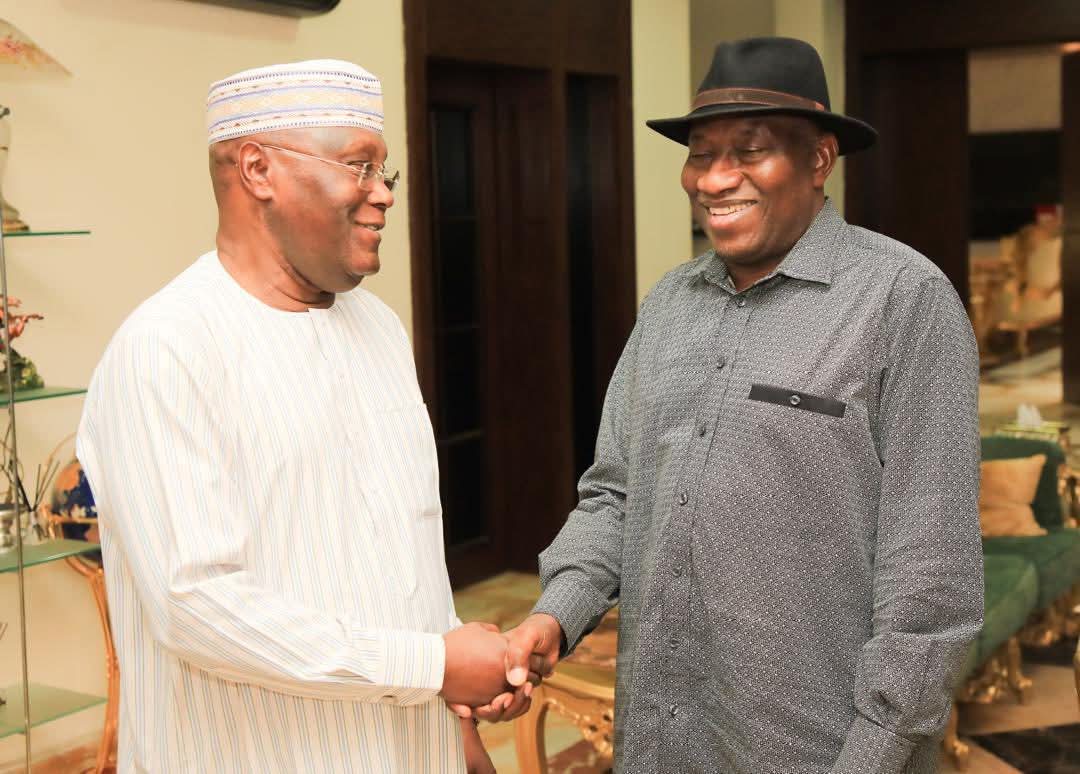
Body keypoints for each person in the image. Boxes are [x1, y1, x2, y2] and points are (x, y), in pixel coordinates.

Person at [502, 37, 983, 773]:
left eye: (750, 151)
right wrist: (556, 613)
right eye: (701, 154)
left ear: (819, 159)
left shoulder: (904, 302)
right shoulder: (669, 303)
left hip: (817, 751)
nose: (715, 178)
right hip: (661, 741)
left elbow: (933, 578)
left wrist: (872, 758)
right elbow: (616, 494)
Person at [77, 60, 533, 774]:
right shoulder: (166, 348)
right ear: (258, 170)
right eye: (358, 166)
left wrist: (456, 713)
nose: (383, 193)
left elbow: (407, 544)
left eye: (385, 170)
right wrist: (432, 665)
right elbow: (196, 606)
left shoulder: (378, 327)